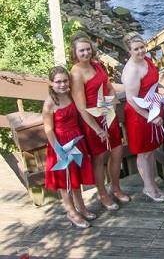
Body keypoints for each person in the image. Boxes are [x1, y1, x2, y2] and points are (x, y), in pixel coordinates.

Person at [70, 32, 129, 210]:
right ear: (75, 52)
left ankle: (116, 187)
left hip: (107, 112)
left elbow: (108, 86)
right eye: (82, 50)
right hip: (92, 120)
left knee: (117, 152)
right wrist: (96, 129)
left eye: (88, 49)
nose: (86, 53)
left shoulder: (97, 65)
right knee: (98, 158)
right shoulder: (76, 73)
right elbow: (81, 107)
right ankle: (102, 193)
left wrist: (111, 103)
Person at [43, 66, 96, 228]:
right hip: (60, 144)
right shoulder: (50, 103)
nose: (62, 84)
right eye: (58, 82)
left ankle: (81, 206)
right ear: (51, 83)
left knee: (76, 176)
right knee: (65, 180)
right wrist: (59, 151)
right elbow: (49, 129)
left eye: (65, 81)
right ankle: (71, 211)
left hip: (76, 139)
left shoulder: (71, 95)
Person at [122, 32, 164, 202]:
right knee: (144, 153)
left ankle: (153, 183)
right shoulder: (131, 70)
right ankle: (148, 187)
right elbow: (131, 100)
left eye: (142, 47)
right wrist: (150, 116)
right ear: (129, 51)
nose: (141, 51)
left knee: (151, 149)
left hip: (152, 107)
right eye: (136, 49)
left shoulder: (147, 60)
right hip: (139, 115)